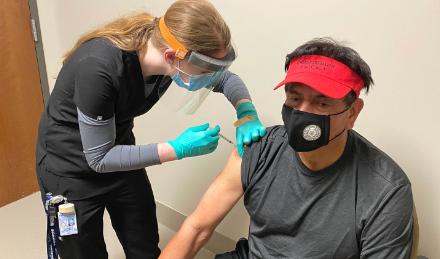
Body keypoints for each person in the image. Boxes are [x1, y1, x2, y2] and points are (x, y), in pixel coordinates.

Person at [35, 1, 266, 258]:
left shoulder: (169, 58)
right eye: (204, 72)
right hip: (70, 169)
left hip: (120, 153)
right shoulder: (99, 67)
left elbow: (224, 78)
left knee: (143, 240)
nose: (208, 78)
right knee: (81, 252)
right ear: (171, 57)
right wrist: (178, 149)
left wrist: (246, 112)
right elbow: (98, 159)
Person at [159, 38, 415, 259]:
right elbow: (196, 229)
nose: (302, 112)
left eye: (321, 103)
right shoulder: (258, 149)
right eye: (294, 98)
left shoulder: (386, 190)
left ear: (352, 113)